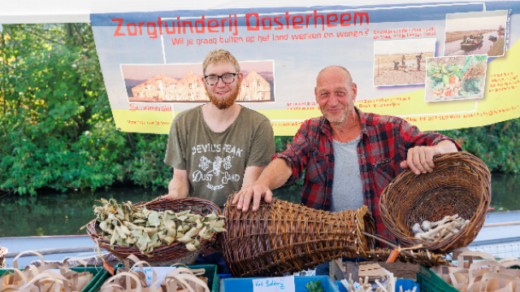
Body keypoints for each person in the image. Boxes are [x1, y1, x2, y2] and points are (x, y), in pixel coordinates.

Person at [233, 65, 461, 242]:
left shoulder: (390, 128)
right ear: (316, 95)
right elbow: (290, 160)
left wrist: (432, 151)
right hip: (325, 248)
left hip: (385, 247)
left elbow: (449, 147)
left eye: (340, 93)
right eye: (324, 94)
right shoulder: (311, 130)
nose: (332, 102)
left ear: (353, 91)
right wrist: (262, 184)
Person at [163, 49, 275, 207]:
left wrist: (225, 223)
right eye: (213, 78)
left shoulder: (259, 125)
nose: (220, 84)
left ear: (240, 78)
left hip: (241, 220)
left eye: (228, 76)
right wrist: (173, 195)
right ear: (204, 82)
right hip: (197, 221)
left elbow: (248, 188)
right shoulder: (182, 122)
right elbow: (180, 179)